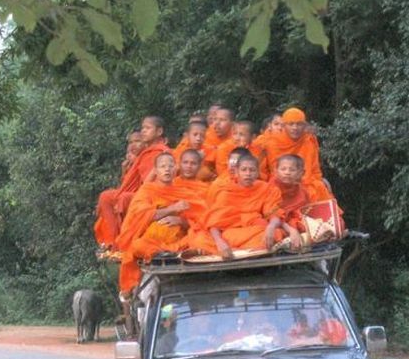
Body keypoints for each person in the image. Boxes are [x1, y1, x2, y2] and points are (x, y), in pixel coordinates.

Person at [117, 153, 207, 301]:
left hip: (178, 242)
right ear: (156, 171)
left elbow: (202, 219)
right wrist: (172, 208)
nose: (167, 169)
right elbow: (140, 215)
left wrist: (181, 220)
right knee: (137, 245)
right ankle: (168, 254)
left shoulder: (185, 193)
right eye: (163, 166)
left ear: (176, 169)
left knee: (200, 239)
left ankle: (173, 252)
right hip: (152, 243)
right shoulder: (147, 190)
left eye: (171, 166)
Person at [186, 155, 288, 259]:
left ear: (257, 173)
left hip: (253, 230)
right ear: (237, 172)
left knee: (275, 233)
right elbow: (214, 222)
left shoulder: (266, 189)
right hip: (230, 233)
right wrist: (220, 242)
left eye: (252, 170)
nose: (248, 174)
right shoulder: (227, 192)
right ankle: (239, 251)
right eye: (244, 170)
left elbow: (274, 213)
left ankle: (227, 252)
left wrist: (270, 228)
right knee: (200, 239)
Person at [94, 116, 169, 250]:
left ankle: (120, 242)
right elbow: (131, 182)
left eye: (147, 128)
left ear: (159, 132)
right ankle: (112, 240)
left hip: (152, 195)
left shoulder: (160, 152)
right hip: (140, 193)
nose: (144, 131)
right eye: (143, 128)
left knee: (121, 198)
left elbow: (150, 182)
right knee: (106, 196)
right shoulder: (146, 152)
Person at [262, 107, 333, 202]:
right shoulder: (271, 142)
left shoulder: (308, 140)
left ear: (304, 126)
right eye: (291, 124)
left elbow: (315, 169)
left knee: (319, 189)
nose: (295, 128)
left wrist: (319, 180)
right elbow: (266, 170)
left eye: (299, 124)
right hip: (280, 183)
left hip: (306, 183)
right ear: (284, 125)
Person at [270, 154, 311, 237]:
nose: (287, 173)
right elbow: (271, 213)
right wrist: (289, 228)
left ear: (300, 173)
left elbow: (305, 212)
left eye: (292, 170)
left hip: (293, 223)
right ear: (276, 171)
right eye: (283, 169)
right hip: (275, 223)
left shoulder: (302, 191)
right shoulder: (271, 188)